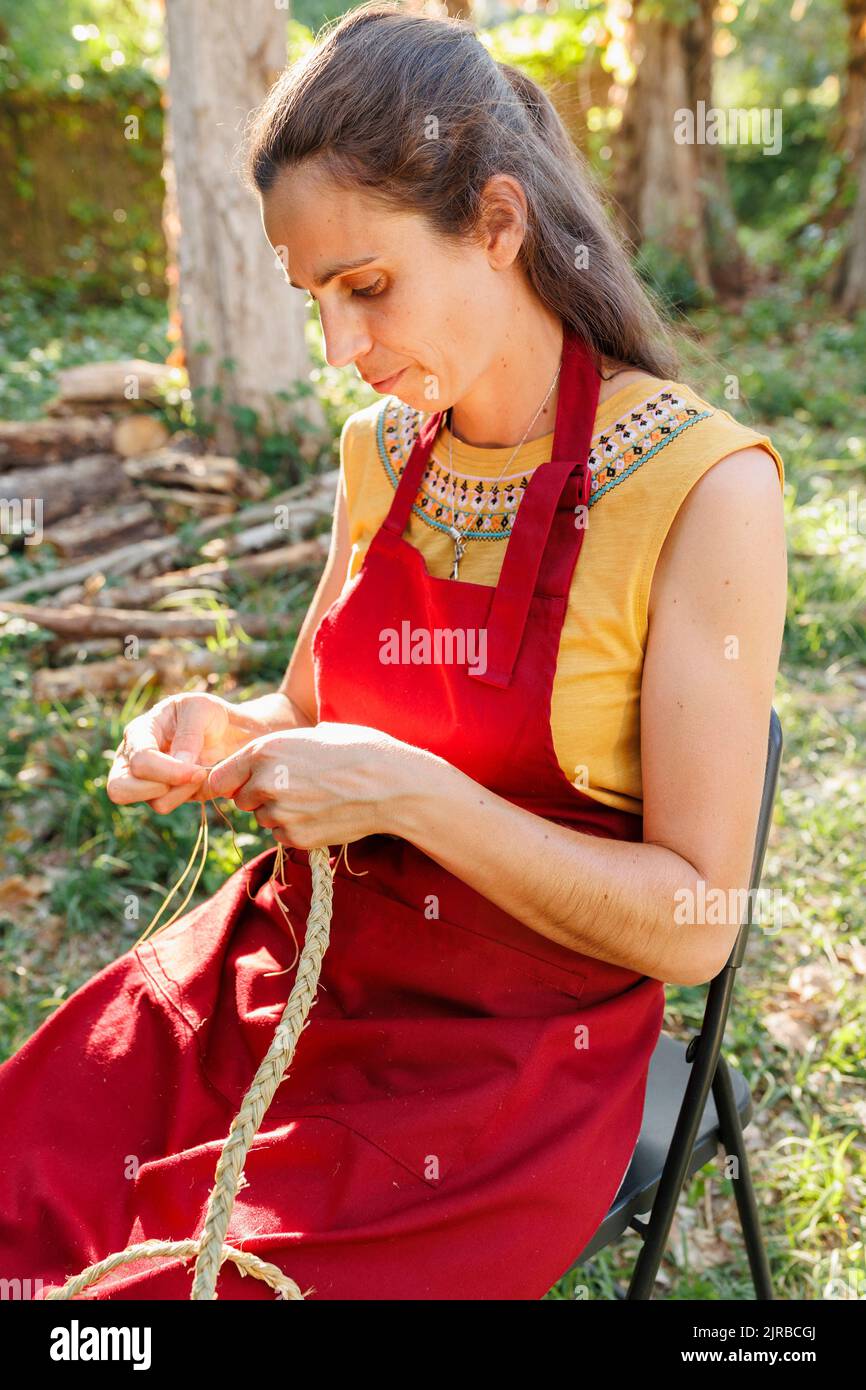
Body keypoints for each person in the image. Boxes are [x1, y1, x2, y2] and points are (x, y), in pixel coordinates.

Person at [0, 3, 787, 1301]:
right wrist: (224, 730)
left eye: (366, 288)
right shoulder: (383, 453)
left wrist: (417, 796)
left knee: (140, 1311)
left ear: (496, 223)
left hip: (497, 1071)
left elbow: (693, 921)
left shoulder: (703, 490)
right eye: (316, 298)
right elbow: (310, 705)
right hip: (289, 972)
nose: (341, 350)